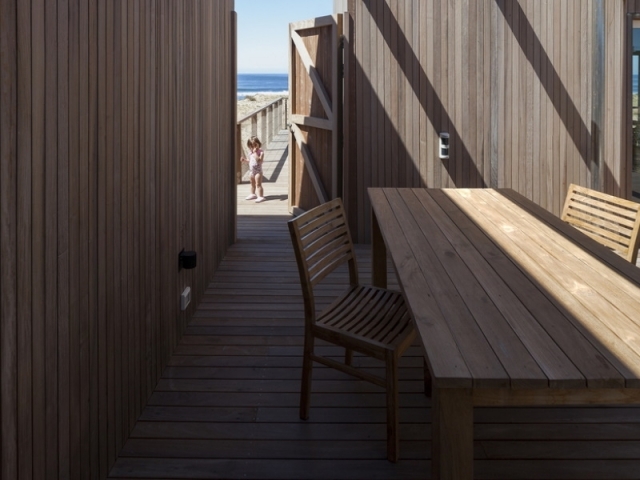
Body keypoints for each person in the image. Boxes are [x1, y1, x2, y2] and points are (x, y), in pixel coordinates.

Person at [240, 136, 266, 203]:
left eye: (255, 145)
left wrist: (255, 153)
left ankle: (260, 196)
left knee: (258, 184)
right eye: (251, 146)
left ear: (258, 144)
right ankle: (252, 194)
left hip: (258, 172)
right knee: (252, 184)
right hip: (251, 171)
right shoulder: (250, 153)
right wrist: (245, 160)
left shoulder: (261, 152)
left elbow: (259, 161)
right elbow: (250, 160)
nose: (253, 147)